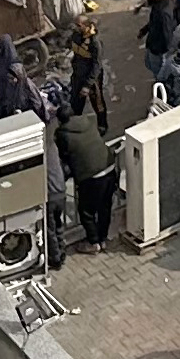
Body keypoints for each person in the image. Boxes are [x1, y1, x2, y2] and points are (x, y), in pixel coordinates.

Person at [60, 103, 119, 251]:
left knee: (86, 211)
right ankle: (103, 238)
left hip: (92, 176)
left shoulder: (63, 134)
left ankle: (93, 242)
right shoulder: (88, 122)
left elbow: (63, 155)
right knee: (105, 207)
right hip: (110, 167)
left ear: (61, 121)